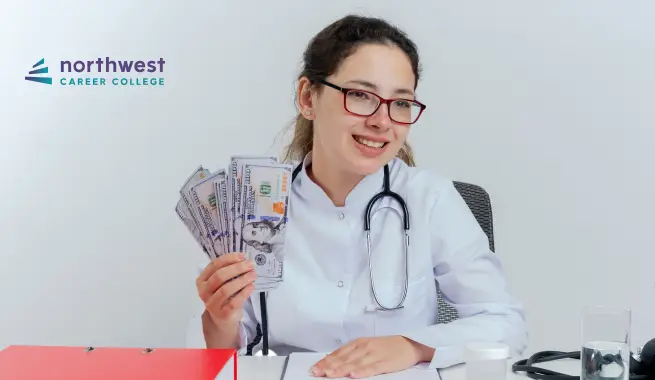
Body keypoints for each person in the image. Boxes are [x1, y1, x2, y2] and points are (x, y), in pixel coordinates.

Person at [194, 14, 528, 378]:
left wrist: (410, 345)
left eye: (400, 103)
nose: (382, 121)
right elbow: (223, 355)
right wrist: (221, 318)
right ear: (308, 97)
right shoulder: (253, 203)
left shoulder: (430, 198)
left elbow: (504, 323)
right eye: (361, 96)